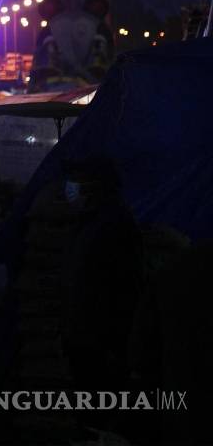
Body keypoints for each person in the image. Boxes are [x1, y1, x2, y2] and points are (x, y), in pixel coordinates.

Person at [60, 158, 143, 389]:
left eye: (76, 181)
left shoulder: (114, 225)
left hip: (101, 345)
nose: (70, 188)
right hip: (84, 340)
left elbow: (124, 289)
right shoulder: (88, 223)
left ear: (94, 185)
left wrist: (114, 346)